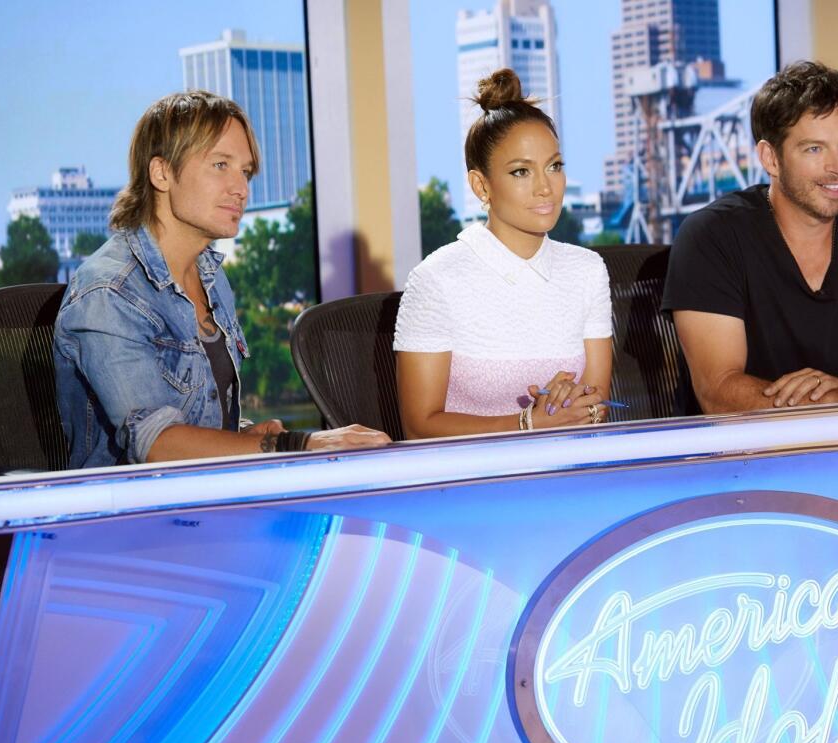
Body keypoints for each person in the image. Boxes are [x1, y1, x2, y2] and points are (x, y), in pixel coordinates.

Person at [53, 91, 390, 468]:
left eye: (244, 172)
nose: (241, 189)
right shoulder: (109, 291)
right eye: (220, 165)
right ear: (161, 172)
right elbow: (157, 443)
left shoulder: (210, 276)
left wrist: (251, 435)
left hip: (210, 499)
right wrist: (296, 444)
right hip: (132, 515)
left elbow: (203, 418)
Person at [662, 61, 838, 414]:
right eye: (814, 149)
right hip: (741, 458)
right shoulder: (710, 237)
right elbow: (718, 393)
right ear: (771, 158)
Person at [393, 68, 612, 438]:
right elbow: (419, 426)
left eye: (554, 167)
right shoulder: (436, 279)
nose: (546, 188)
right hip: (472, 483)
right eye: (521, 172)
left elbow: (593, 407)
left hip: (568, 472)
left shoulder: (588, 271)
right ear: (481, 185)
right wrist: (527, 424)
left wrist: (579, 407)